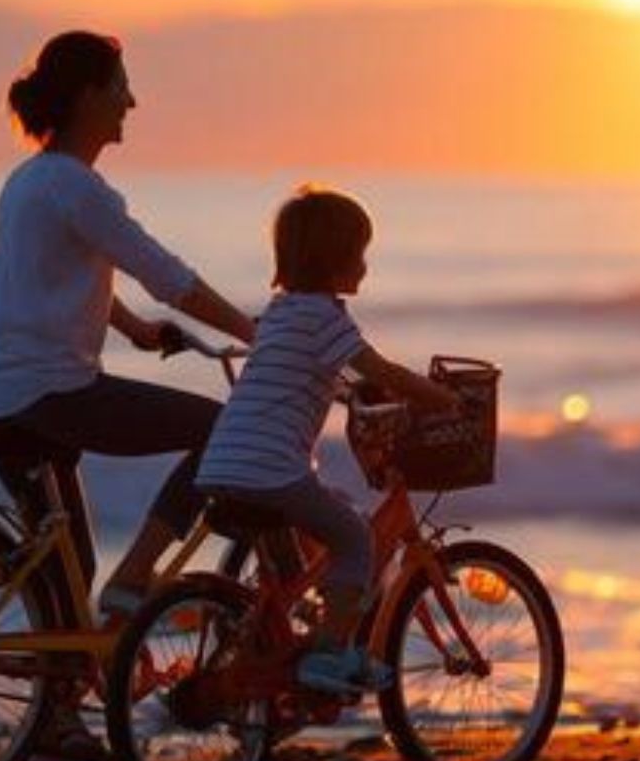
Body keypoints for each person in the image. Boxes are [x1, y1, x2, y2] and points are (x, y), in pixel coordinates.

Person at [0, 31, 257, 760]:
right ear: (90, 93)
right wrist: (259, 330)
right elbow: (166, 273)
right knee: (222, 430)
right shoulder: (78, 185)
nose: (132, 99)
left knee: (65, 566)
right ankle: (136, 581)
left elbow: (57, 272)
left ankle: (57, 717)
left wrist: (128, 326)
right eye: (122, 83)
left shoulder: (30, 181)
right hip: (47, 394)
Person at [195, 185, 459, 695]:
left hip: (222, 465)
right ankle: (330, 655)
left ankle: (282, 641)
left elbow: (303, 372)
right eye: (360, 254)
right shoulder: (326, 317)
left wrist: (347, 389)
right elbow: (378, 368)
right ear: (336, 262)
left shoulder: (280, 313)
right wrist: (440, 398)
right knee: (355, 537)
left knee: (329, 509)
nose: (365, 266)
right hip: (272, 470)